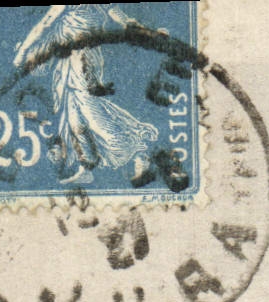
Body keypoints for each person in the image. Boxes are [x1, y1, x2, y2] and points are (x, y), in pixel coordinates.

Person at [13, 5, 161, 185]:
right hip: (68, 63)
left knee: (93, 117)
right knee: (75, 122)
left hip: (84, 63)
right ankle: (86, 167)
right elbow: (46, 24)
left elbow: (117, 14)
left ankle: (139, 154)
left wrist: (22, 54)